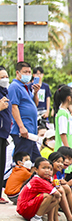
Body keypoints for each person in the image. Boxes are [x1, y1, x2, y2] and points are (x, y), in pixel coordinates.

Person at [16, 157, 62, 221]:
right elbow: (57, 194)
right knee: (50, 196)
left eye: (50, 169)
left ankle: (40, 216)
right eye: (44, 168)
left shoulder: (43, 179)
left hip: (25, 207)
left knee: (54, 198)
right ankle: (37, 217)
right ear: (36, 169)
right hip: (24, 208)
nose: (48, 171)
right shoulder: (38, 180)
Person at [9, 61, 40, 160]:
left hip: (30, 132)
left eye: (29, 72)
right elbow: (14, 107)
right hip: (23, 131)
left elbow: (35, 104)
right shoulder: (14, 86)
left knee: (37, 161)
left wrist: (35, 93)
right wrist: (21, 127)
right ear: (18, 73)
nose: (27, 74)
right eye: (25, 72)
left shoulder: (26, 87)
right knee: (23, 161)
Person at [53, 85, 72, 156]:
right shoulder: (62, 113)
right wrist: (68, 150)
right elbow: (63, 133)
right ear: (69, 98)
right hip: (65, 151)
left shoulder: (66, 112)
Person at [0, 67, 11, 203]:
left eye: (6, 76)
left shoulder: (5, 92)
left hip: (4, 134)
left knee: (1, 165)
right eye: (2, 77)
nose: (5, 79)